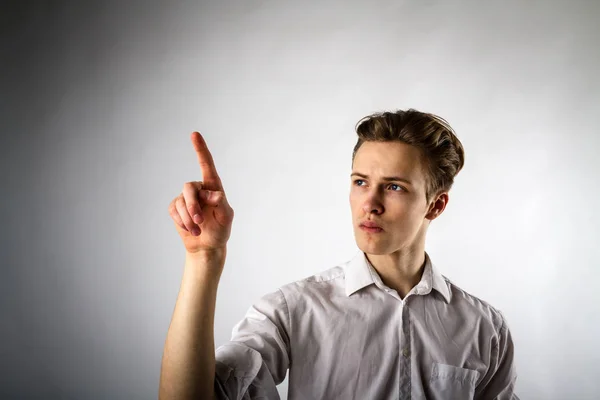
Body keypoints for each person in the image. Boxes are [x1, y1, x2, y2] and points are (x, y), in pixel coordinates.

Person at [158, 109, 519, 400]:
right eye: (360, 182)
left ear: (435, 205)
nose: (370, 204)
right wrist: (203, 257)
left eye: (394, 187)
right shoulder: (293, 310)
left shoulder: (484, 328)